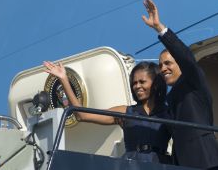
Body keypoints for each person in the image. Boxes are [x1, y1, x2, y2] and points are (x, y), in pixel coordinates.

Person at [142, 0, 218, 169]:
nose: (163, 68)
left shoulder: (193, 80)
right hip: (182, 163)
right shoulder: (170, 98)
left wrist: (159, 28)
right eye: (160, 65)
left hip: (206, 160)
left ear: (180, 64)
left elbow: (186, 57)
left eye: (168, 63)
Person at [43, 61, 171, 163]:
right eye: (134, 83)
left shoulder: (169, 112)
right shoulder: (126, 111)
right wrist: (64, 80)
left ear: (155, 84)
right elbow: (82, 115)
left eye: (142, 82)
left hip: (160, 164)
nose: (137, 86)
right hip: (131, 165)